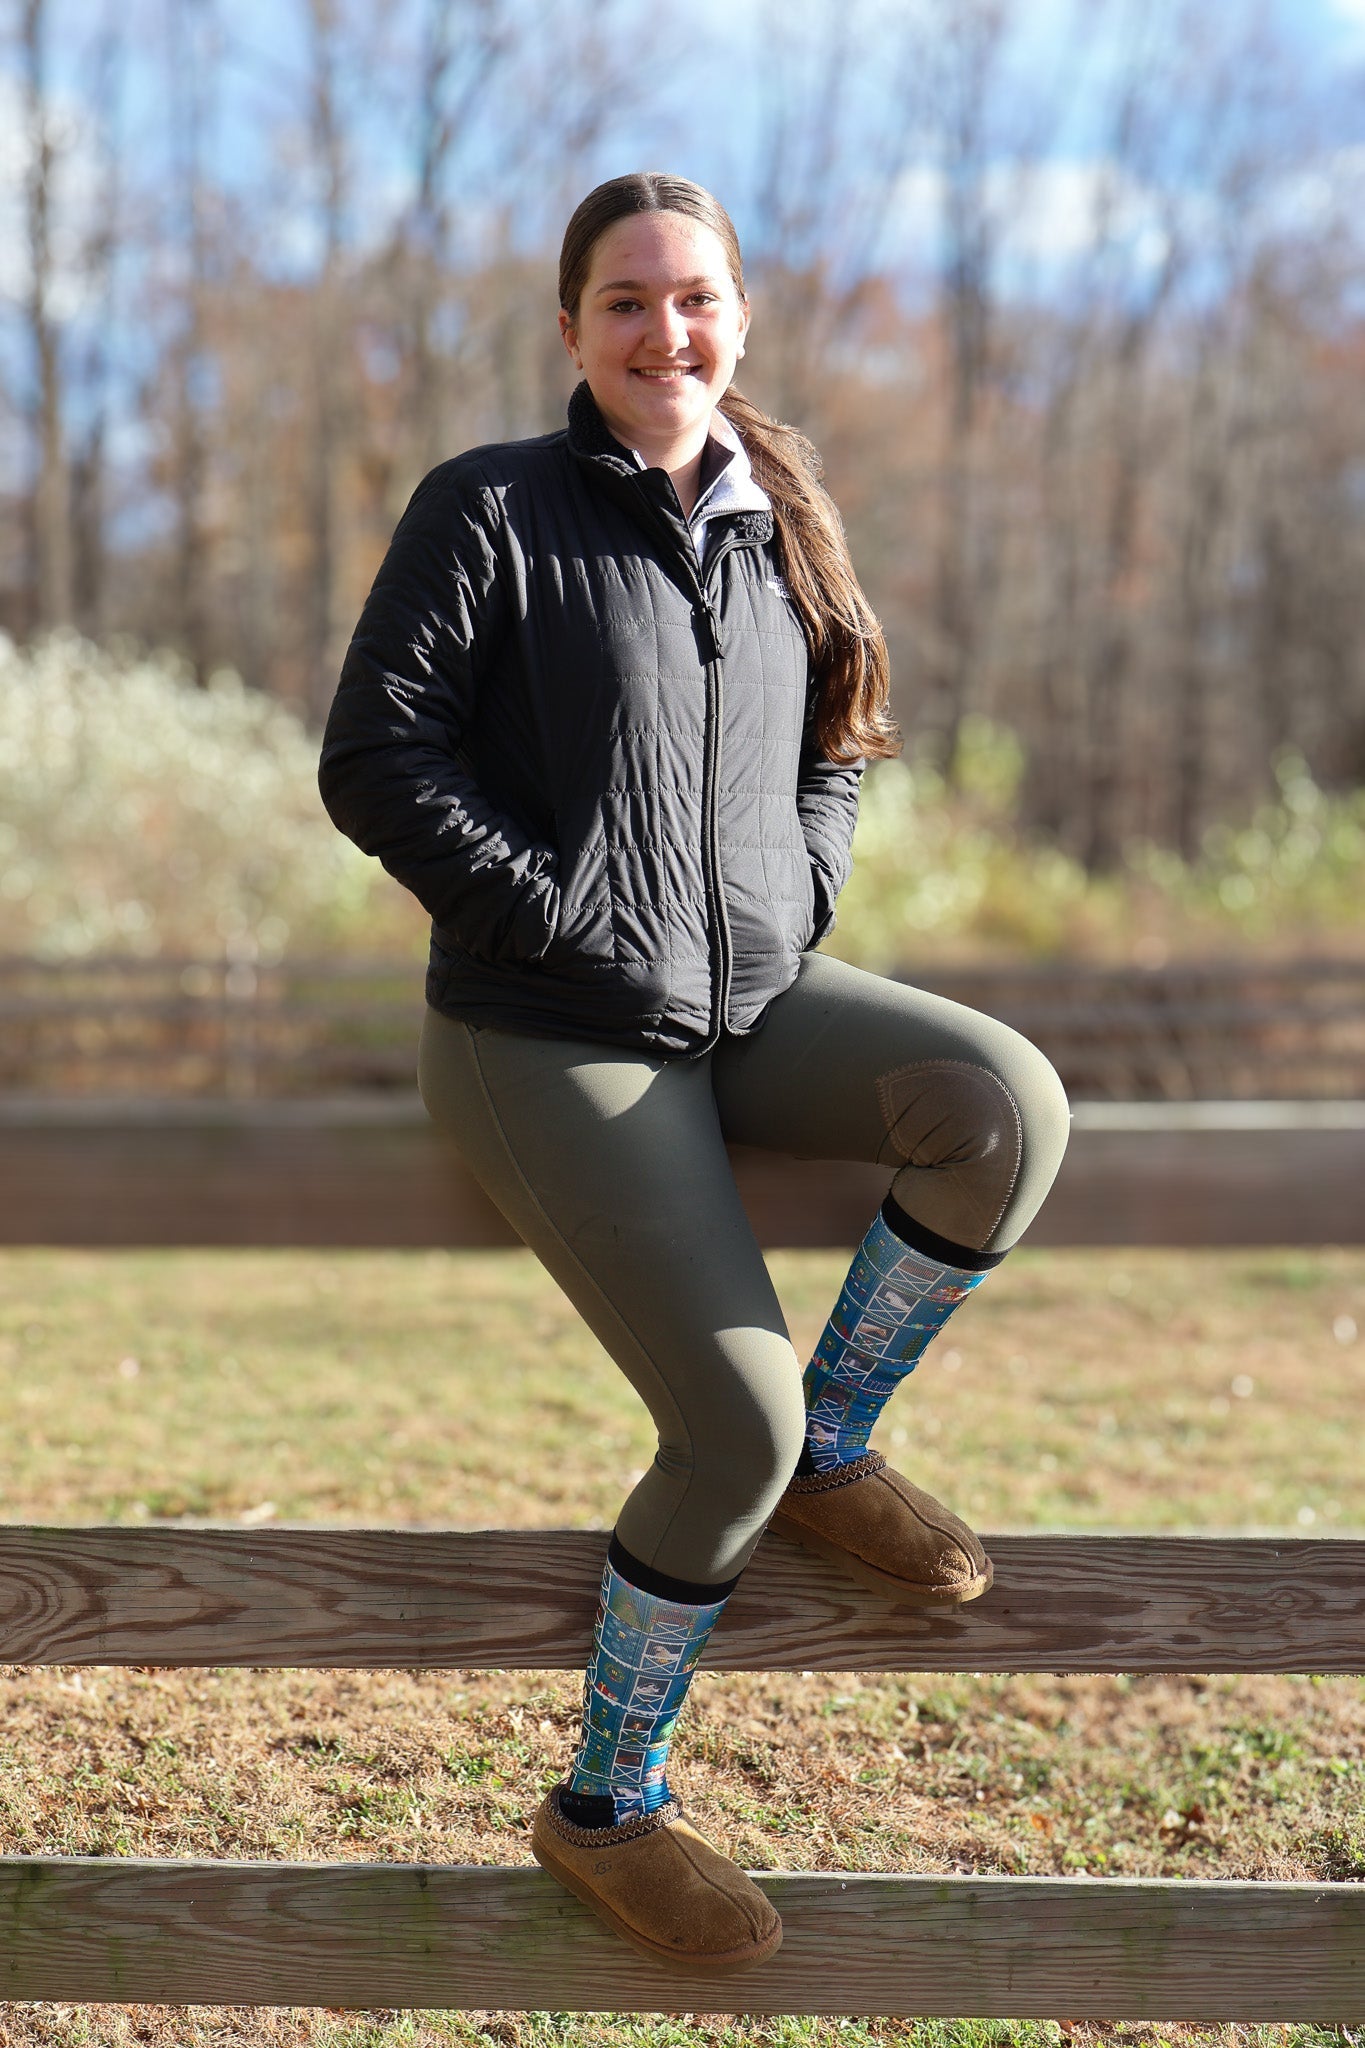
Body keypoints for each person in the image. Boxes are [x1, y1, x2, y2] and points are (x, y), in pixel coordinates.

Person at [318, 170, 1070, 1973]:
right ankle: (607, 1806)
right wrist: (555, 914)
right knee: (711, 1427)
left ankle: (838, 1444)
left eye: (697, 299)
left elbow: (842, 736)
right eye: (628, 302)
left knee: (999, 1105)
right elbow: (376, 757)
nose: (669, 332)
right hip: (541, 1032)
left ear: (742, 316)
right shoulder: (489, 507)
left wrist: (802, 887)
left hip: (740, 998)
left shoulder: (775, 514)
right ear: (571, 330)